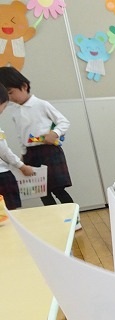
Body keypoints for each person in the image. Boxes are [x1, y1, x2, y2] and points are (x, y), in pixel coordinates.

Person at [0, 66, 80, 229]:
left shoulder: (42, 104)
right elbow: (20, 136)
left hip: (49, 151)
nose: (10, 98)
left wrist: (55, 133)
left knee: (58, 189)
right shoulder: (15, 112)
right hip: (31, 154)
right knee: (42, 191)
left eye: (10, 92)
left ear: (24, 86)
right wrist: (23, 155)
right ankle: (58, 223)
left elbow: (64, 121)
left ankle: (75, 220)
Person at [0, 83, 34, 210]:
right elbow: (3, 151)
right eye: (4, 106)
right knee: (9, 211)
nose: (3, 111)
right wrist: (21, 166)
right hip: (2, 175)